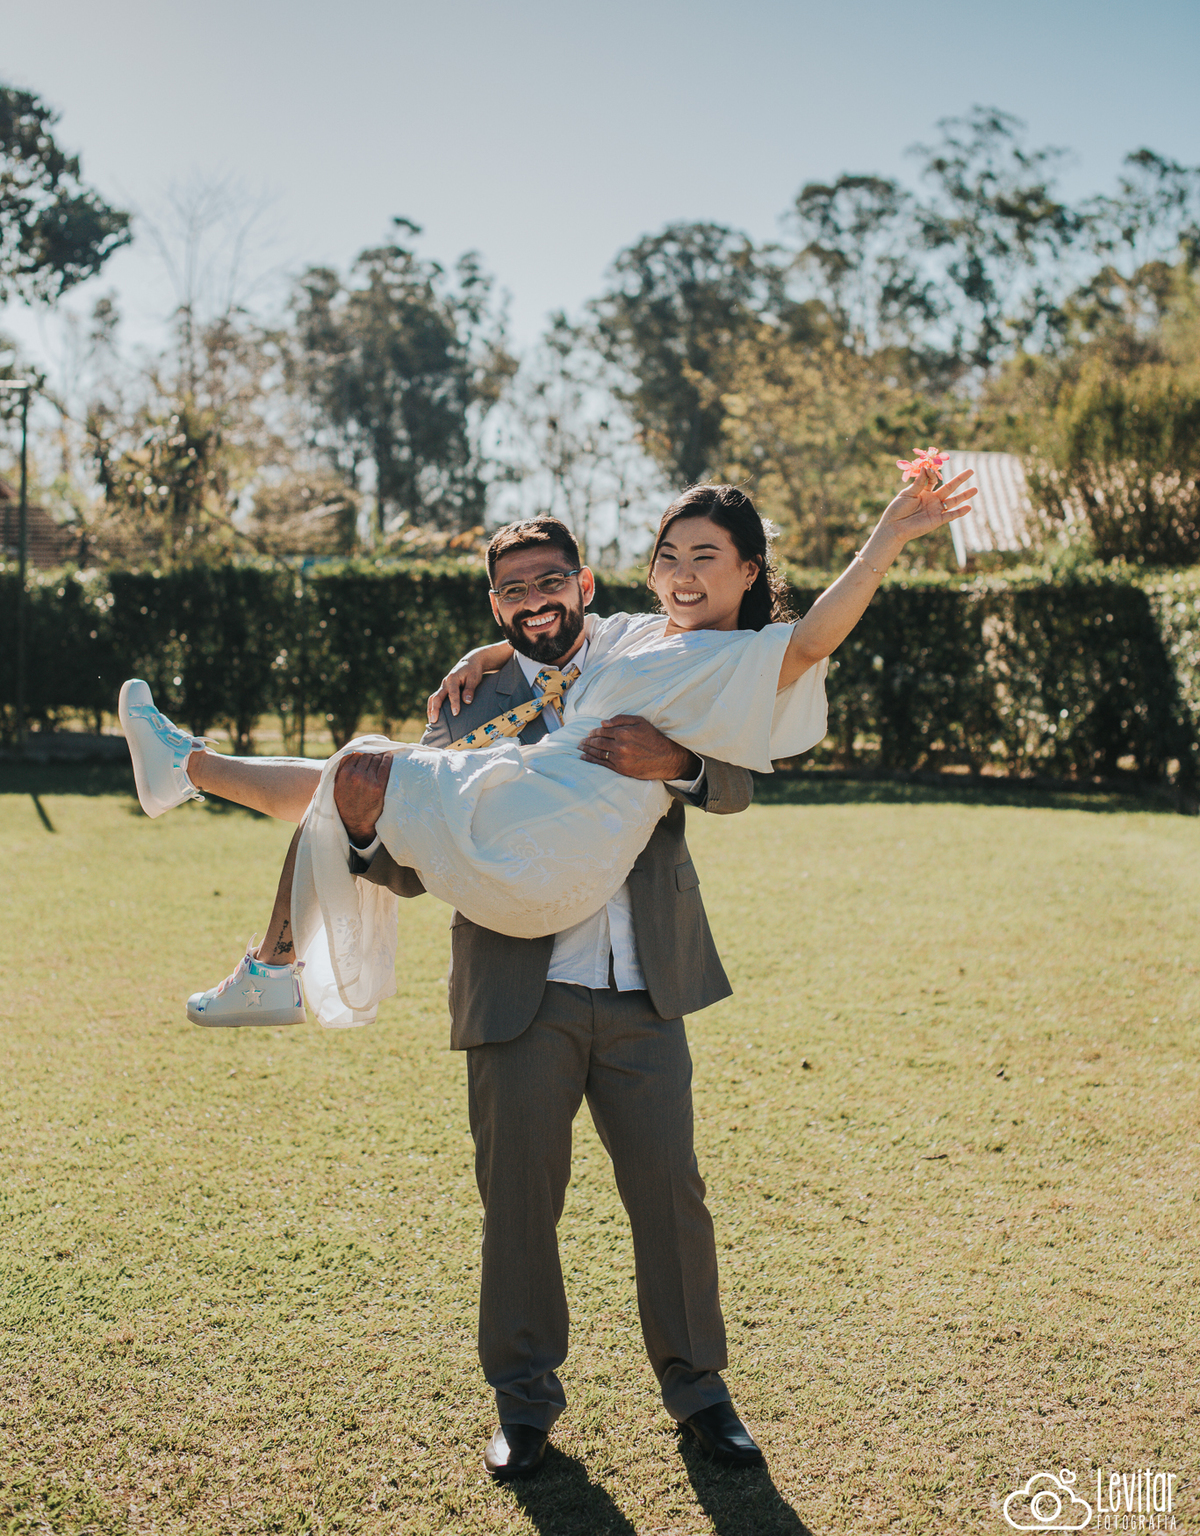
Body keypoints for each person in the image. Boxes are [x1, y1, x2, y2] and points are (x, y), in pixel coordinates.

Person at [119, 463, 973, 1478]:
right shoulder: (480, 691)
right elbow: (410, 846)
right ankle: (523, 1406)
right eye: (513, 591)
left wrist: (681, 764)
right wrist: (378, 821)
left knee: (671, 1196)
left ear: (583, 581)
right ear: (498, 604)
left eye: (550, 582)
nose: (534, 600)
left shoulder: (699, 661)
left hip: (640, 978)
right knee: (517, 1203)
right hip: (518, 981)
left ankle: (701, 1396)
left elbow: (753, 747)